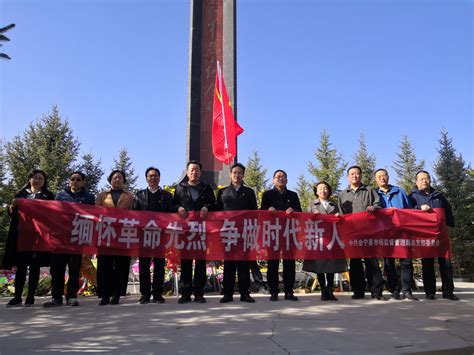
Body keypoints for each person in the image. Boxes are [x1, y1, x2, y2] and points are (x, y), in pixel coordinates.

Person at [3, 169, 55, 307]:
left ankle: (30, 296)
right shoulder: (21, 195)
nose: (38, 180)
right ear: (30, 179)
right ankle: (17, 296)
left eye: (41, 178)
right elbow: (11, 214)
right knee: (21, 266)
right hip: (21, 235)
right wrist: (12, 205)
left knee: (35, 267)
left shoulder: (48, 196)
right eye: (35, 178)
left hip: (38, 236)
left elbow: (51, 214)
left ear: (44, 182)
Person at [44, 171, 95, 307]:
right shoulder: (61, 195)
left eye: (78, 179)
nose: (75, 181)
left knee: (74, 269)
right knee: (57, 269)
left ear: (83, 182)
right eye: (72, 179)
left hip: (77, 239)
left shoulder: (89, 198)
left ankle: (71, 296)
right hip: (60, 239)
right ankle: (56, 297)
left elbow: (92, 217)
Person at [337, 165, 386, 300]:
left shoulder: (369, 190)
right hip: (352, 233)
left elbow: (379, 205)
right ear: (348, 177)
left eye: (357, 173)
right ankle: (358, 291)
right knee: (355, 263)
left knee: (372, 262)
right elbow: (341, 215)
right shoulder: (342, 194)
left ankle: (376, 292)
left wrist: (374, 207)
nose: (355, 176)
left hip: (369, 232)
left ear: (361, 176)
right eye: (352, 174)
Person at [409, 170, 459, 301]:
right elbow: (407, 212)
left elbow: (447, 211)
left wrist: (450, 227)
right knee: (427, 264)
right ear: (416, 182)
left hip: (441, 235)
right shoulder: (413, 196)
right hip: (424, 235)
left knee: (446, 264)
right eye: (421, 179)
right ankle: (430, 292)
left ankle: (448, 291)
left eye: (427, 178)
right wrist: (419, 208)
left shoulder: (438, 195)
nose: (424, 181)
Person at [173, 161, 216, 304]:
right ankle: (185, 294)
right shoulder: (180, 188)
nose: (194, 172)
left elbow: (214, 204)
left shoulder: (206, 188)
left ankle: (199, 293)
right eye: (191, 170)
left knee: (200, 263)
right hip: (185, 231)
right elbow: (173, 204)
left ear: (200, 172)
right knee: (185, 262)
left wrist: (206, 207)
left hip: (202, 231)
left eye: (197, 170)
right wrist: (178, 208)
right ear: (187, 172)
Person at [374, 168, 418, 301]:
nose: (382, 178)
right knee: (388, 263)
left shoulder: (400, 191)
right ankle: (394, 290)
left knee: (406, 262)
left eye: (384, 176)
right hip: (385, 233)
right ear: (375, 179)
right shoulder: (375, 194)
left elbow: (409, 210)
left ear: (388, 177)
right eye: (379, 176)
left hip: (402, 232)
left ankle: (407, 290)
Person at [217, 163, 257, 303]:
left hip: (244, 232)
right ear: (230, 174)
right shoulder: (222, 192)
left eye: (240, 173)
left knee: (244, 265)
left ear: (243, 175)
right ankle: (227, 293)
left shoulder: (249, 192)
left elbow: (254, 212)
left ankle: (244, 293)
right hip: (228, 232)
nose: (237, 175)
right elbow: (217, 213)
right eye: (234, 172)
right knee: (228, 264)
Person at [133, 167, 173, 304]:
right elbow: (134, 215)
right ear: (146, 178)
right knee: (143, 265)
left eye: (155, 175)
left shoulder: (167, 196)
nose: (153, 178)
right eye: (150, 176)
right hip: (144, 236)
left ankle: (157, 294)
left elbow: (171, 215)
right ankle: (144, 294)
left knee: (159, 265)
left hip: (160, 236)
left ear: (160, 178)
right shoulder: (139, 195)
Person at [261, 170, 302, 301]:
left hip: (289, 233)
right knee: (272, 262)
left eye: (283, 177)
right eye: (278, 177)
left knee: (289, 263)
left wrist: (293, 211)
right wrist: (268, 211)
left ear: (287, 180)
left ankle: (289, 291)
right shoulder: (267, 195)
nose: (280, 179)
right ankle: (274, 291)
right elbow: (261, 211)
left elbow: (300, 212)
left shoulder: (293, 195)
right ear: (273, 180)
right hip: (272, 233)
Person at [302, 181, 347, 301]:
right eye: (320, 189)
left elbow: (342, 220)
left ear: (329, 190)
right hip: (318, 239)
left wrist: (338, 217)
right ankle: (323, 290)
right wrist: (313, 216)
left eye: (325, 188)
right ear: (316, 191)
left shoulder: (334, 204)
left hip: (332, 239)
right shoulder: (312, 204)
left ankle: (329, 290)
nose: (323, 190)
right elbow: (306, 219)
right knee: (320, 266)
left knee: (332, 266)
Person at [95, 170, 134, 305]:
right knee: (104, 265)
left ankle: (117, 294)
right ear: (110, 180)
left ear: (124, 180)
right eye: (114, 178)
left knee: (121, 265)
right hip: (106, 234)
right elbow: (96, 212)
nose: (117, 180)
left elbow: (134, 214)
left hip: (123, 235)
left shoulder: (130, 196)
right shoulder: (102, 195)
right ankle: (105, 294)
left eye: (120, 178)